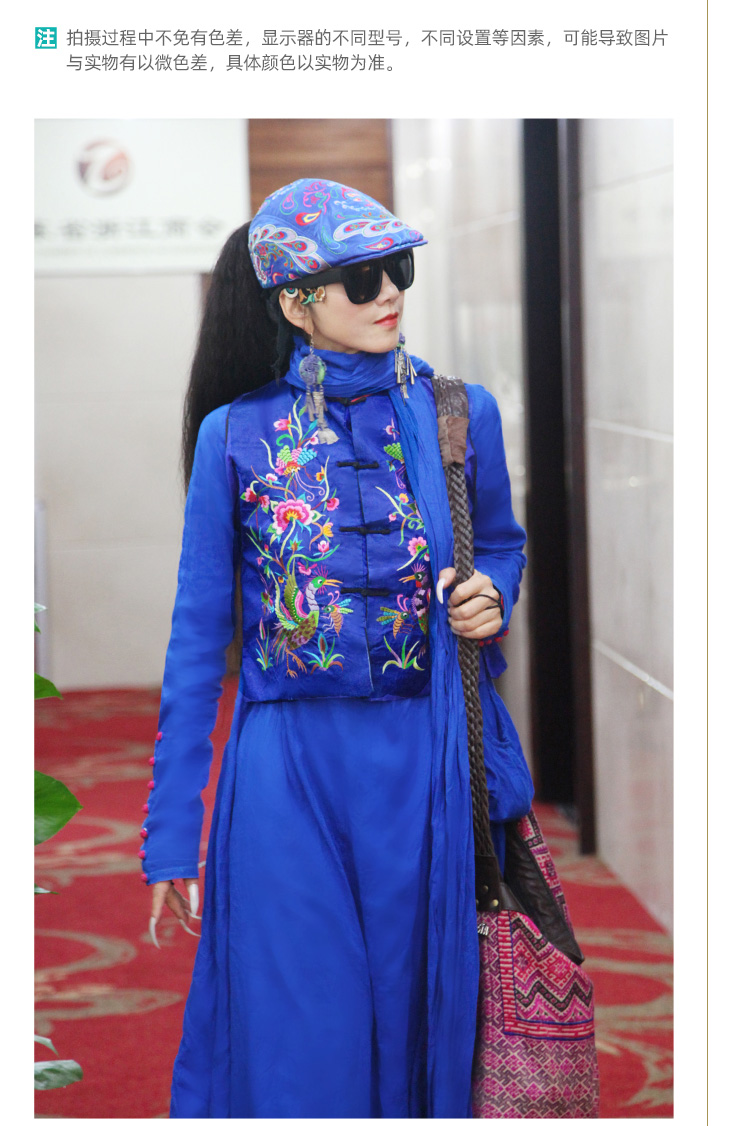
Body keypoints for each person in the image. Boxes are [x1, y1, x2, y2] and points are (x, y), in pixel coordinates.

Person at [139, 178, 534, 1118]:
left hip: (425, 763)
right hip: (287, 773)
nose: (388, 293)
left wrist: (491, 596)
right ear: (295, 303)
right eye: (360, 280)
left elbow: (501, 545)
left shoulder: (459, 412)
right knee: (302, 1026)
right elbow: (195, 643)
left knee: (416, 1008)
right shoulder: (234, 436)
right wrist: (169, 835)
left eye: (396, 270)